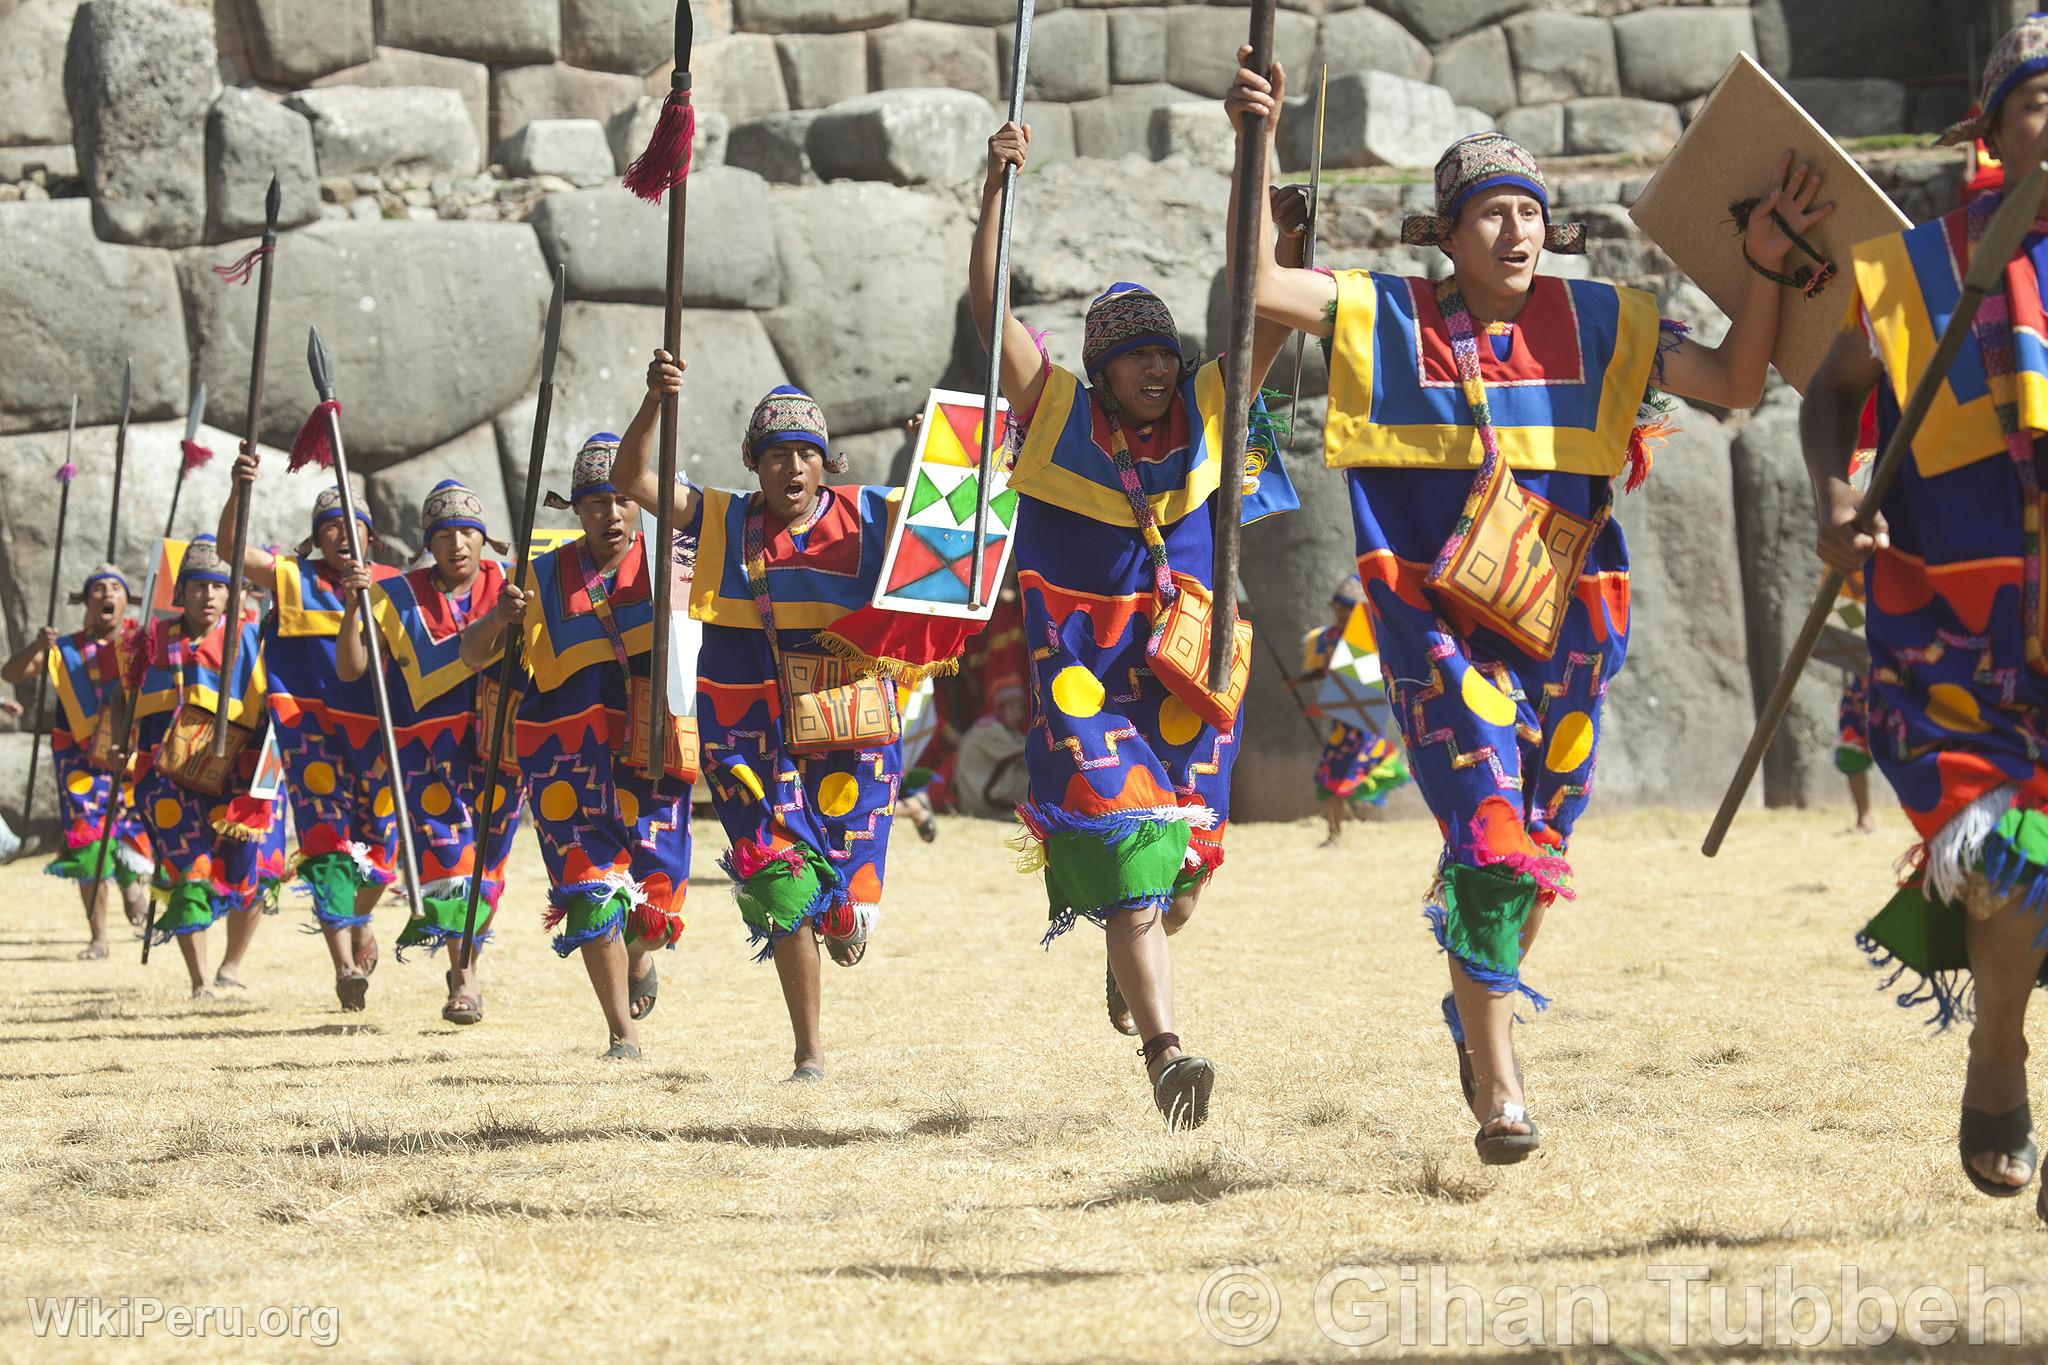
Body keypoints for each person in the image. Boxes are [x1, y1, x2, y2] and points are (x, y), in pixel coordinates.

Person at [1229, 52, 1826, 1161]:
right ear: (1444, 236)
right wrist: (1256, 139)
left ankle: (1474, 1001)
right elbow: (1258, 291)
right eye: (1487, 214)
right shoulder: (1385, 314)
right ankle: (1498, 1092)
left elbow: (1738, 384)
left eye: (1525, 212)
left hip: (1569, 629)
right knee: (1493, 838)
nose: (1511, 231)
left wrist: (1759, 269)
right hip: (1436, 627)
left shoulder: (1605, 323)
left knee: (1538, 842)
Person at [971, 116, 1302, 1129]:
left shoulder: (1208, 408)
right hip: (1082, 682)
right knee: (1123, 856)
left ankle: (1139, 953)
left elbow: (1269, 304)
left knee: (1178, 877)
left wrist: (1270, 158)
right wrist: (993, 188)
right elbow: (989, 309)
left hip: (1183, 678)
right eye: (1134, 357)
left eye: (1163, 351)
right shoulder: (1057, 418)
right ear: (1101, 371)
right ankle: (1165, 1055)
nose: (1154, 369)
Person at [1800, 11, 2048, 1216]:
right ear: (1995, 128)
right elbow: (1829, 394)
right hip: (1962, 651)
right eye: (2042, 100)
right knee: (2011, 871)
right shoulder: (1912, 271)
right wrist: (1837, 492)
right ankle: (1996, 1051)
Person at [616, 361, 922, 1082]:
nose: (792, 465)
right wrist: (654, 401)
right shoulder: (723, 520)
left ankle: (846, 912)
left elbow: (962, 528)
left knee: (837, 893)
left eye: (806, 452)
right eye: (777, 452)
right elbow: (634, 477)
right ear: (755, 463)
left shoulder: (871, 515)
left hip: (848, 733)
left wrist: (946, 451)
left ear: (827, 463)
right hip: (750, 739)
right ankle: (808, 1052)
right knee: (780, 881)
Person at [460, 433, 689, 1061]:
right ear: (576, 510)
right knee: (592, 895)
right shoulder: (537, 578)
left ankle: (640, 959)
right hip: (565, 764)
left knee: (657, 904)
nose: (609, 514)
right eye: (594, 503)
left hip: (652, 754)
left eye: (620, 499)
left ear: (639, 502)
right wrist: (498, 621)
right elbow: (471, 655)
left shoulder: (676, 561)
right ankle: (622, 1033)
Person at [335, 480, 520, 1025]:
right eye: (445, 535)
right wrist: (353, 604)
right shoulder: (395, 596)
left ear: (484, 540)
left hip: (496, 750)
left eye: (468, 533)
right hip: (426, 753)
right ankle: (464, 980)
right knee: (450, 857)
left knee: (486, 867)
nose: (457, 544)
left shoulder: (511, 587)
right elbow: (351, 669)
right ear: (428, 543)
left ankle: (467, 963)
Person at [219, 462, 402, 1010]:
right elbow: (232, 548)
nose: (343, 535)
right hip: (309, 736)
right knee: (325, 845)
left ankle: (360, 915)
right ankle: (344, 964)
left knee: (382, 849)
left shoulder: (394, 584)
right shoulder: (290, 576)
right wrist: (238, 487)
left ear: (371, 533)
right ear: (317, 538)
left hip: (378, 738)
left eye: (353, 524)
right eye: (331, 527)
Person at [126, 535, 288, 998]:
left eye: (220, 586)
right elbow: (132, 704)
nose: (209, 595)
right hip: (172, 774)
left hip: (246, 769)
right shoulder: (156, 641)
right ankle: (199, 981)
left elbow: (279, 702)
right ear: (182, 591)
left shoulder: (255, 635)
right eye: (199, 585)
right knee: (185, 869)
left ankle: (231, 966)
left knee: (252, 867)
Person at [1, 563, 151, 957]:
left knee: (133, 829)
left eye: (114, 588)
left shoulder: (142, 642)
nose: (106, 594)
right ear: (86, 600)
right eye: (98, 588)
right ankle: (98, 936)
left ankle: (132, 885)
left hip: (129, 754)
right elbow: (11, 673)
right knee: (88, 842)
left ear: (126, 600)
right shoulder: (63, 650)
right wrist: (38, 644)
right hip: (80, 761)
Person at [1285, 575, 1410, 847]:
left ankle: (1342, 825)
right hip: (1341, 723)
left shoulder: (1371, 640)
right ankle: (1334, 832)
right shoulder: (1330, 637)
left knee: (1351, 774)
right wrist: (1300, 680)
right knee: (1332, 776)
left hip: (1362, 722)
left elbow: (1366, 680)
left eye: (1345, 608)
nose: (1339, 613)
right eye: (1338, 608)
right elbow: (1331, 669)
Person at [953, 679, 1030, 819]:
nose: (1018, 714)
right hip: (980, 796)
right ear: (1000, 709)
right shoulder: (991, 729)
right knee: (1033, 778)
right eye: (1012, 708)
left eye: (1020, 708)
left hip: (979, 791)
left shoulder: (1004, 728)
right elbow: (1027, 758)